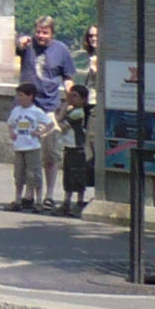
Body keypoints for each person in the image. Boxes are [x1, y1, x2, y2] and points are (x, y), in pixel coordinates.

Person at [17, 15, 76, 110]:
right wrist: (20, 41)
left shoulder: (61, 49)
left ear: (52, 33)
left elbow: (67, 78)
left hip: (50, 107)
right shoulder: (27, 45)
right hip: (26, 106)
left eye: (45, 33)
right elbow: (16, 43)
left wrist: (72, 98)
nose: (41, 36)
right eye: (38, 32)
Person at [7, 97, 53, 209]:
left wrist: (40, 133)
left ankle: (38, 200)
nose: (20, 98)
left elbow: (50, 124)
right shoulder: (16, 110)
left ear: (30, 96)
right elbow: (10, 124)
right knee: (19, 174)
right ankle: (18, 199)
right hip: (19, 146)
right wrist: (12, 133)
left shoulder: (36, 111)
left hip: (32, 147)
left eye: (22, 95)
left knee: (34, 174)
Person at [58, 80, 95, 217]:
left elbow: (61, 123)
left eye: (74, 96)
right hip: (69, 147)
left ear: (83, 99)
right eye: (70, 95)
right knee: (68, 176)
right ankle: (66, 201)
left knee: (78, 176)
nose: (71, 99)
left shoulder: (78, 113)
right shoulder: (74, 111)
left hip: (78, 148)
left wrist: (63, 108)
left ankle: (78, 202)